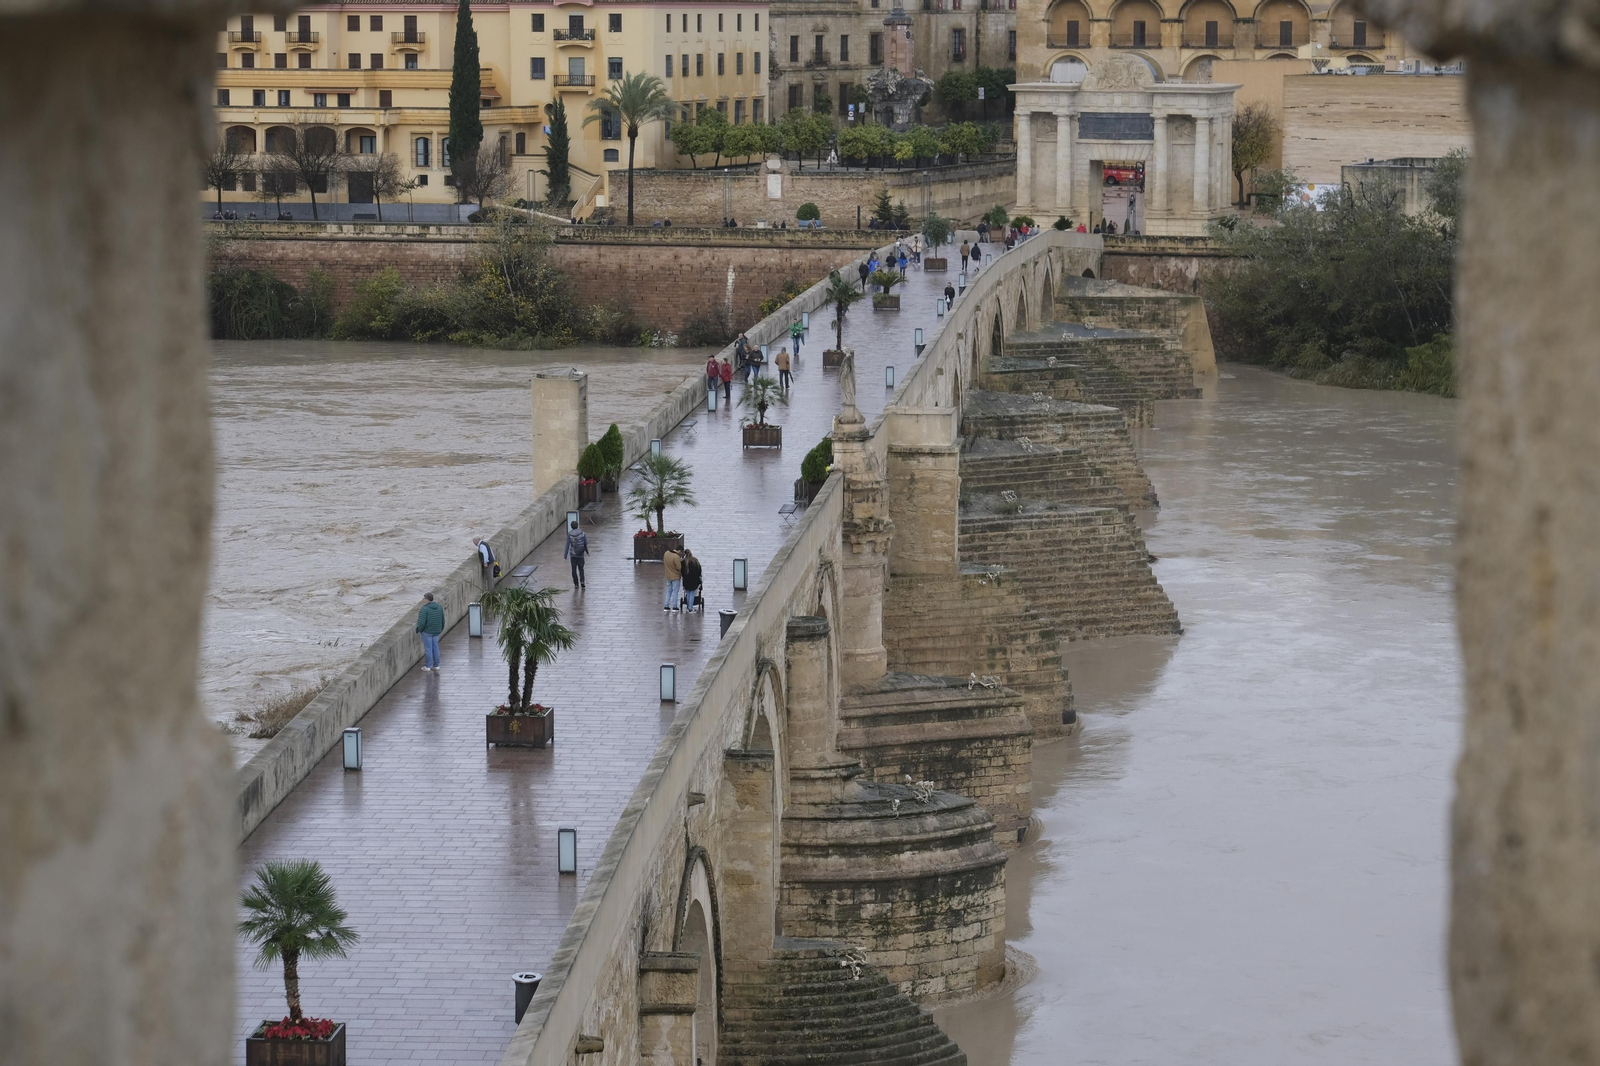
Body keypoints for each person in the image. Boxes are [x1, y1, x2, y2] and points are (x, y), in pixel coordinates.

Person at [415, 592, 444, 672]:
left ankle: (428, 666)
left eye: (424, 598)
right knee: (435, 648)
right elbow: (442, 620)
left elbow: (421, 623)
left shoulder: (424, 609)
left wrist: (419, 629)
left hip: (427, 632)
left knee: (428, 649)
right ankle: (436, 665)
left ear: (426, 599)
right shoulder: (439, 607)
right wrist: (440, 629)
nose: (423, 600)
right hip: (436, 630)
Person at [563, 520, 588, 589]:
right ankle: (582, 581)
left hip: (573, 555)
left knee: (574, 569)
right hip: (581, 554)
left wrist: (565, 556)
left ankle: (576, 584)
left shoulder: (570, 534)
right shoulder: (582, 533)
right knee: (581, 569)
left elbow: (567, 545)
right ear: (577, 525)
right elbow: (586, 543)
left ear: (571, 527)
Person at [662, 545, 683, 612]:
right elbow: (679, 568)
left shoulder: (666, 553)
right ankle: (674, 606)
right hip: (675, 577)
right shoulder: (676, 557)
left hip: (668, 575)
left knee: (668, 591)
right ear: (679, 550)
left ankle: (666, 606)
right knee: (675, 591)